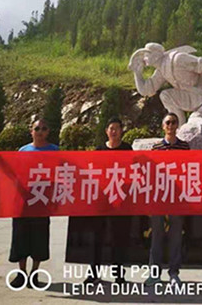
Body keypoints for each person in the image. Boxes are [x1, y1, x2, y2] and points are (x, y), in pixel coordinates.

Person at [8, 119, 58, 289]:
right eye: (37, 128)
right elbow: (14, 173)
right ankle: (21, 273)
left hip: (42, 202)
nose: (40, 131)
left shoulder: (54, 151)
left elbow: (63, 172)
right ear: (31, 131)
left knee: (39, 239)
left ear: (48, 131)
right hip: (23, 202)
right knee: (20, 238)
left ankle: (34, 274)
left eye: (44, 128)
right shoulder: (23, 151)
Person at [84, 116, 133, 285]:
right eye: (111, 128)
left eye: (117, 128)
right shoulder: (99, 150)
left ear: (121, 131)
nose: (114, 131)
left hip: (120, 202)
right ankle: (93, 273)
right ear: (106, 131)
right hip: (102, 201)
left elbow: (132, 172)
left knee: (118, 238)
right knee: (96, 238)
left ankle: (119, 275)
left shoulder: (127, 149)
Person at [145, 113, 190, 287]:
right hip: (159, 197)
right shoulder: (156, 148)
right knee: (156, 235)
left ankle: (174, 272)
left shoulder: (184, 147)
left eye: (174, 123)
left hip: (177, 198)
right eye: (168, 123)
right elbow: (151, 173)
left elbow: (189, 170)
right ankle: (154, 273)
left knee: (176, 236)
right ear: (163, 126)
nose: (171, 126)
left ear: (177, 126)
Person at [128, 43, 202, 124]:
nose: (144, 58)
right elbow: (147, 91)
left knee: (165, 95)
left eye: (147, 55)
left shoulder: (178, 59)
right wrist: (137, 73)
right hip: (190, 96)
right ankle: (178, 127)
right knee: (165, 95)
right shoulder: (161, 70)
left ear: (156, 55)